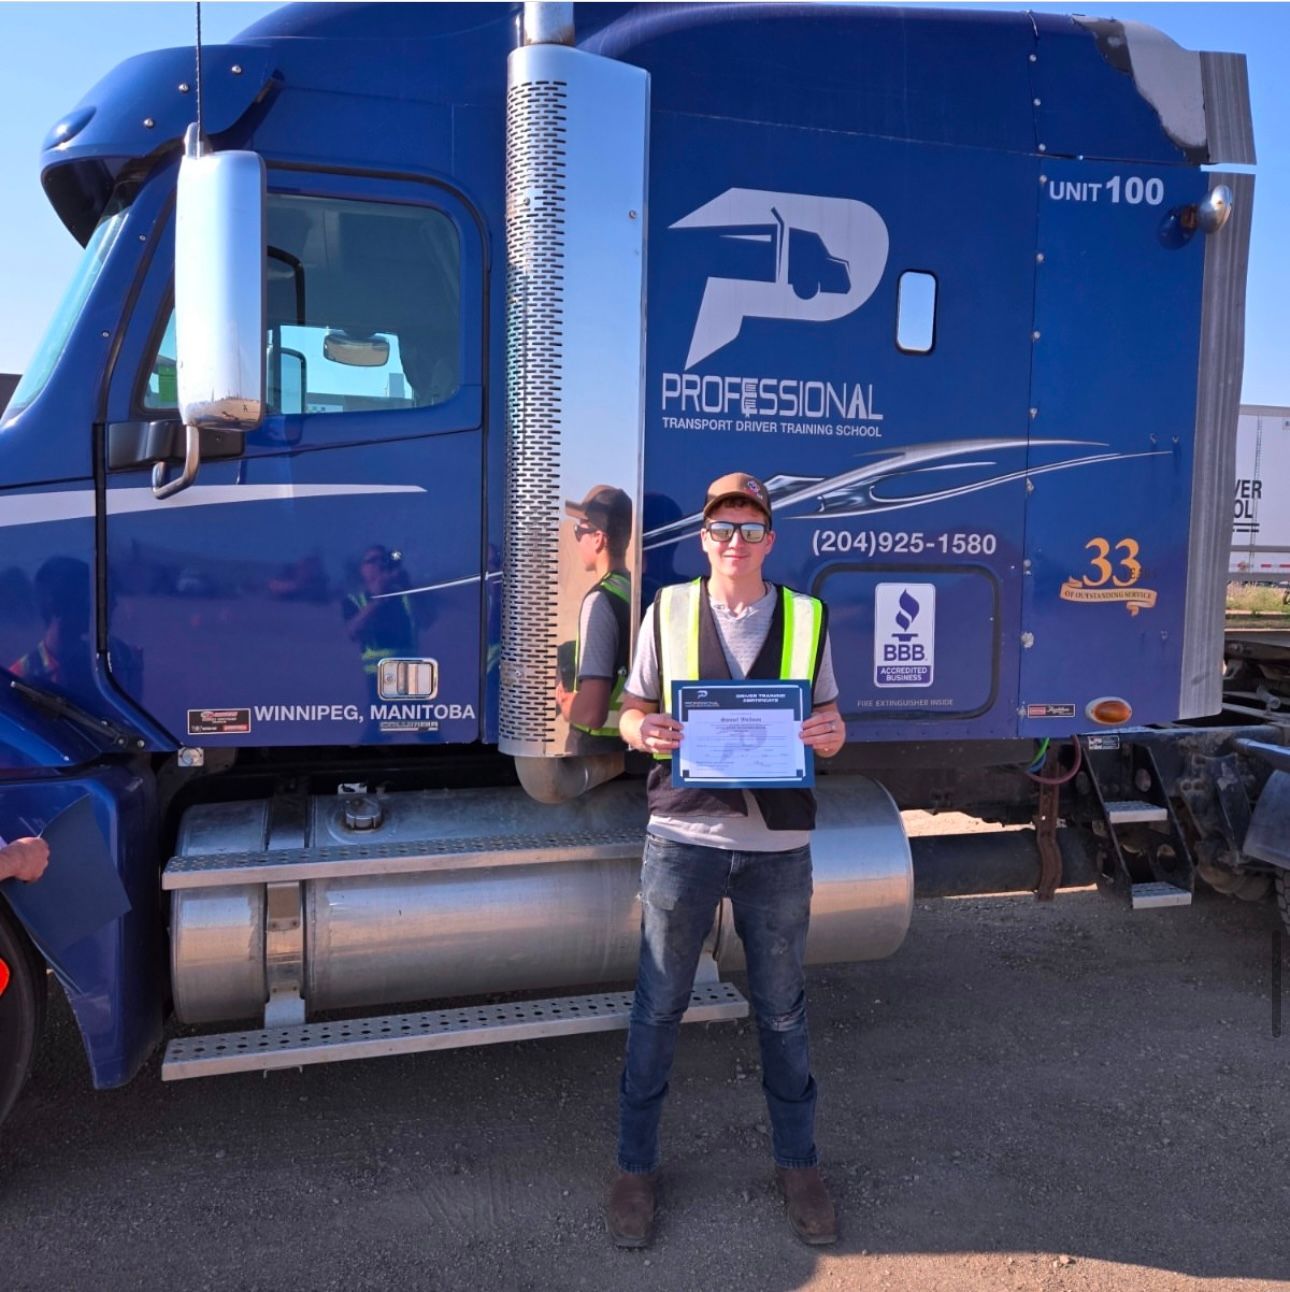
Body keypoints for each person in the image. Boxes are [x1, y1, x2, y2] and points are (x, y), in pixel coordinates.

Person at [609, 472, 846, 1249]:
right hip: (685, 841)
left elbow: (830, 716)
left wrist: (831, 736)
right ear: (704, 540)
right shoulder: (668, 610)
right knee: (657, 1009)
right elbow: (631, 710)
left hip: (778, 849)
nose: (735, 542)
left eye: (750, 529)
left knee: (782, 1012)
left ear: (769, 540)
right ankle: (635, 1171)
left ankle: (800, 1165)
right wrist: (642, 733)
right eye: (722, 529)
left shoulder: (808, 617)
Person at [556, 486, 633, 738]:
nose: (577, 539)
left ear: (598, 539)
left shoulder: (599, 601)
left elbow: (592, 713)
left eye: (579, 531)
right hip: (627, 745)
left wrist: (568, 706)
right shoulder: (632, 590)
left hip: (595, 750)